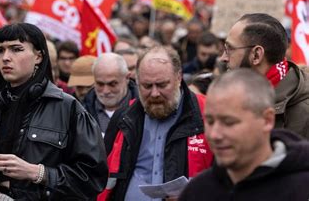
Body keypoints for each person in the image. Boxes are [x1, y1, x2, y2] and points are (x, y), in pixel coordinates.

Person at [0, 23, 108, 199]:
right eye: (0, 50)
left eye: (16, 49)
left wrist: (39, 173)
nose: (6, 57)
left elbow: (92, 179)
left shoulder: (68, 108)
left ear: (38, 56)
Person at [101, 45, 212, 201]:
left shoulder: (207, 115)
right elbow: (102, 176)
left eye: (161, 85)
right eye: (147, 86)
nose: (154, 94)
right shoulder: (124, 117)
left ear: (179, 78)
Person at [179, 69, 309, 200]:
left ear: (267, 120)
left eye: (229, 122)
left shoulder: (302, 189)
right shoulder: (198, 191)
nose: (215, 135)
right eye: (209, 121)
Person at [221, 13, 309, 139]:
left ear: (256, 55)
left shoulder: (304, 113)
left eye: (230, 49)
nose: (223, 58)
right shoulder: (230, 95)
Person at [83, 53, 139, 134]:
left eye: (112, 84)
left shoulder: (142, 111)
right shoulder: (82, 112)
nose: (106, 91)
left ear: (127, 78)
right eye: (100, 84)